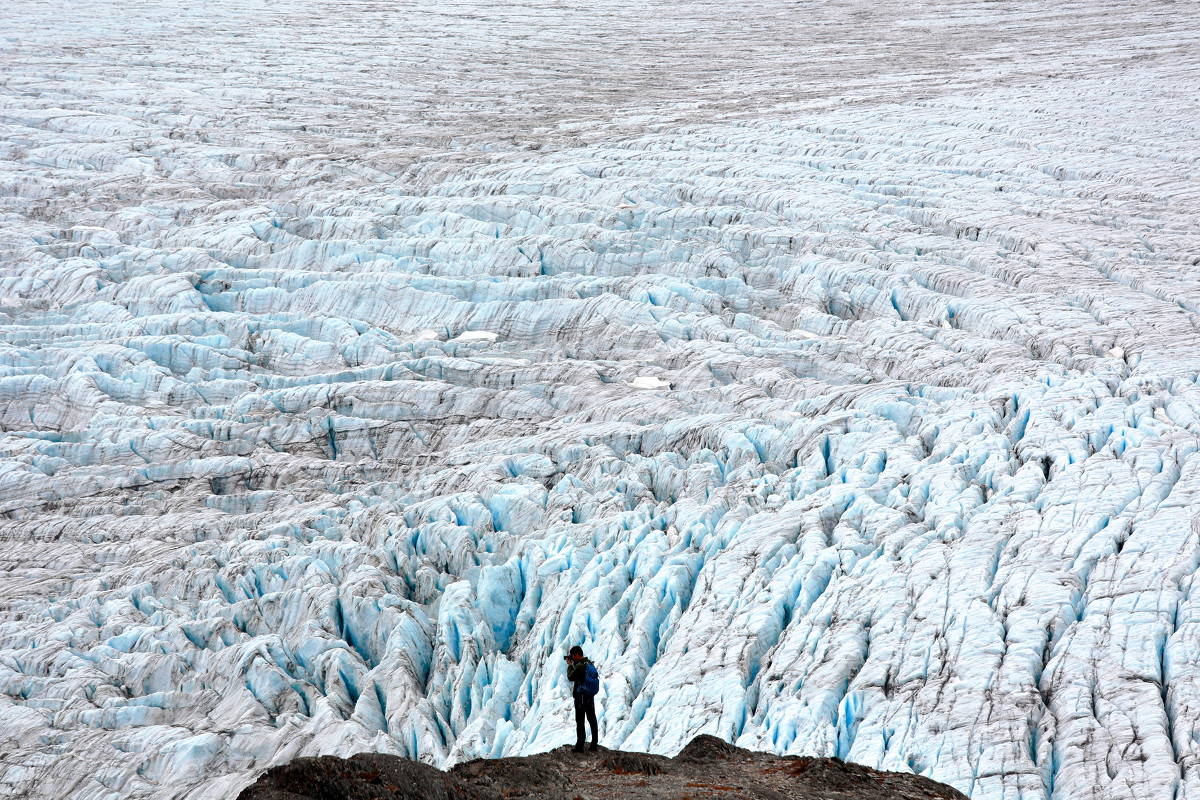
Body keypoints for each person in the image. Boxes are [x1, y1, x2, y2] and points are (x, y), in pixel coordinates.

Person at [564, 645, 598, 752]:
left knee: (580, 721)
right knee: (592, 719)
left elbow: (571, 677)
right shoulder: (588, 663)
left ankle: (580, 746)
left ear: (577, 654)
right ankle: (594, 744)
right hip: (589, 696)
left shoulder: (580, 666)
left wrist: (570, 665)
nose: (572, 658)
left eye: (573, 656)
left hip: (581, 697)